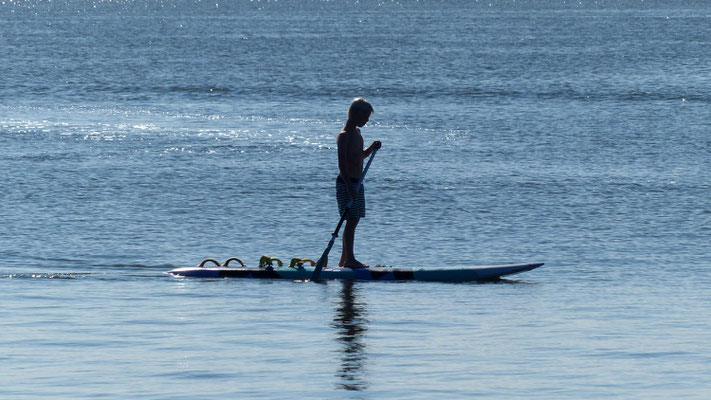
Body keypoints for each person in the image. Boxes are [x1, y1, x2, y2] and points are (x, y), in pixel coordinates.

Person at [336, 97, 381, 269]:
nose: (367, 121)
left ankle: (344, 260)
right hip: (346, 183)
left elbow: (360, 156)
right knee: (351, 219)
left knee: (354, 220)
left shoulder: (357, 134)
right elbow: (341, 163)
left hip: (357, 182)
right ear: (354, 115)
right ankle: (350, 259)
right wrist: (348, 185)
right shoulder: (344, 136)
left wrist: (371, 148)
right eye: (365, 117)